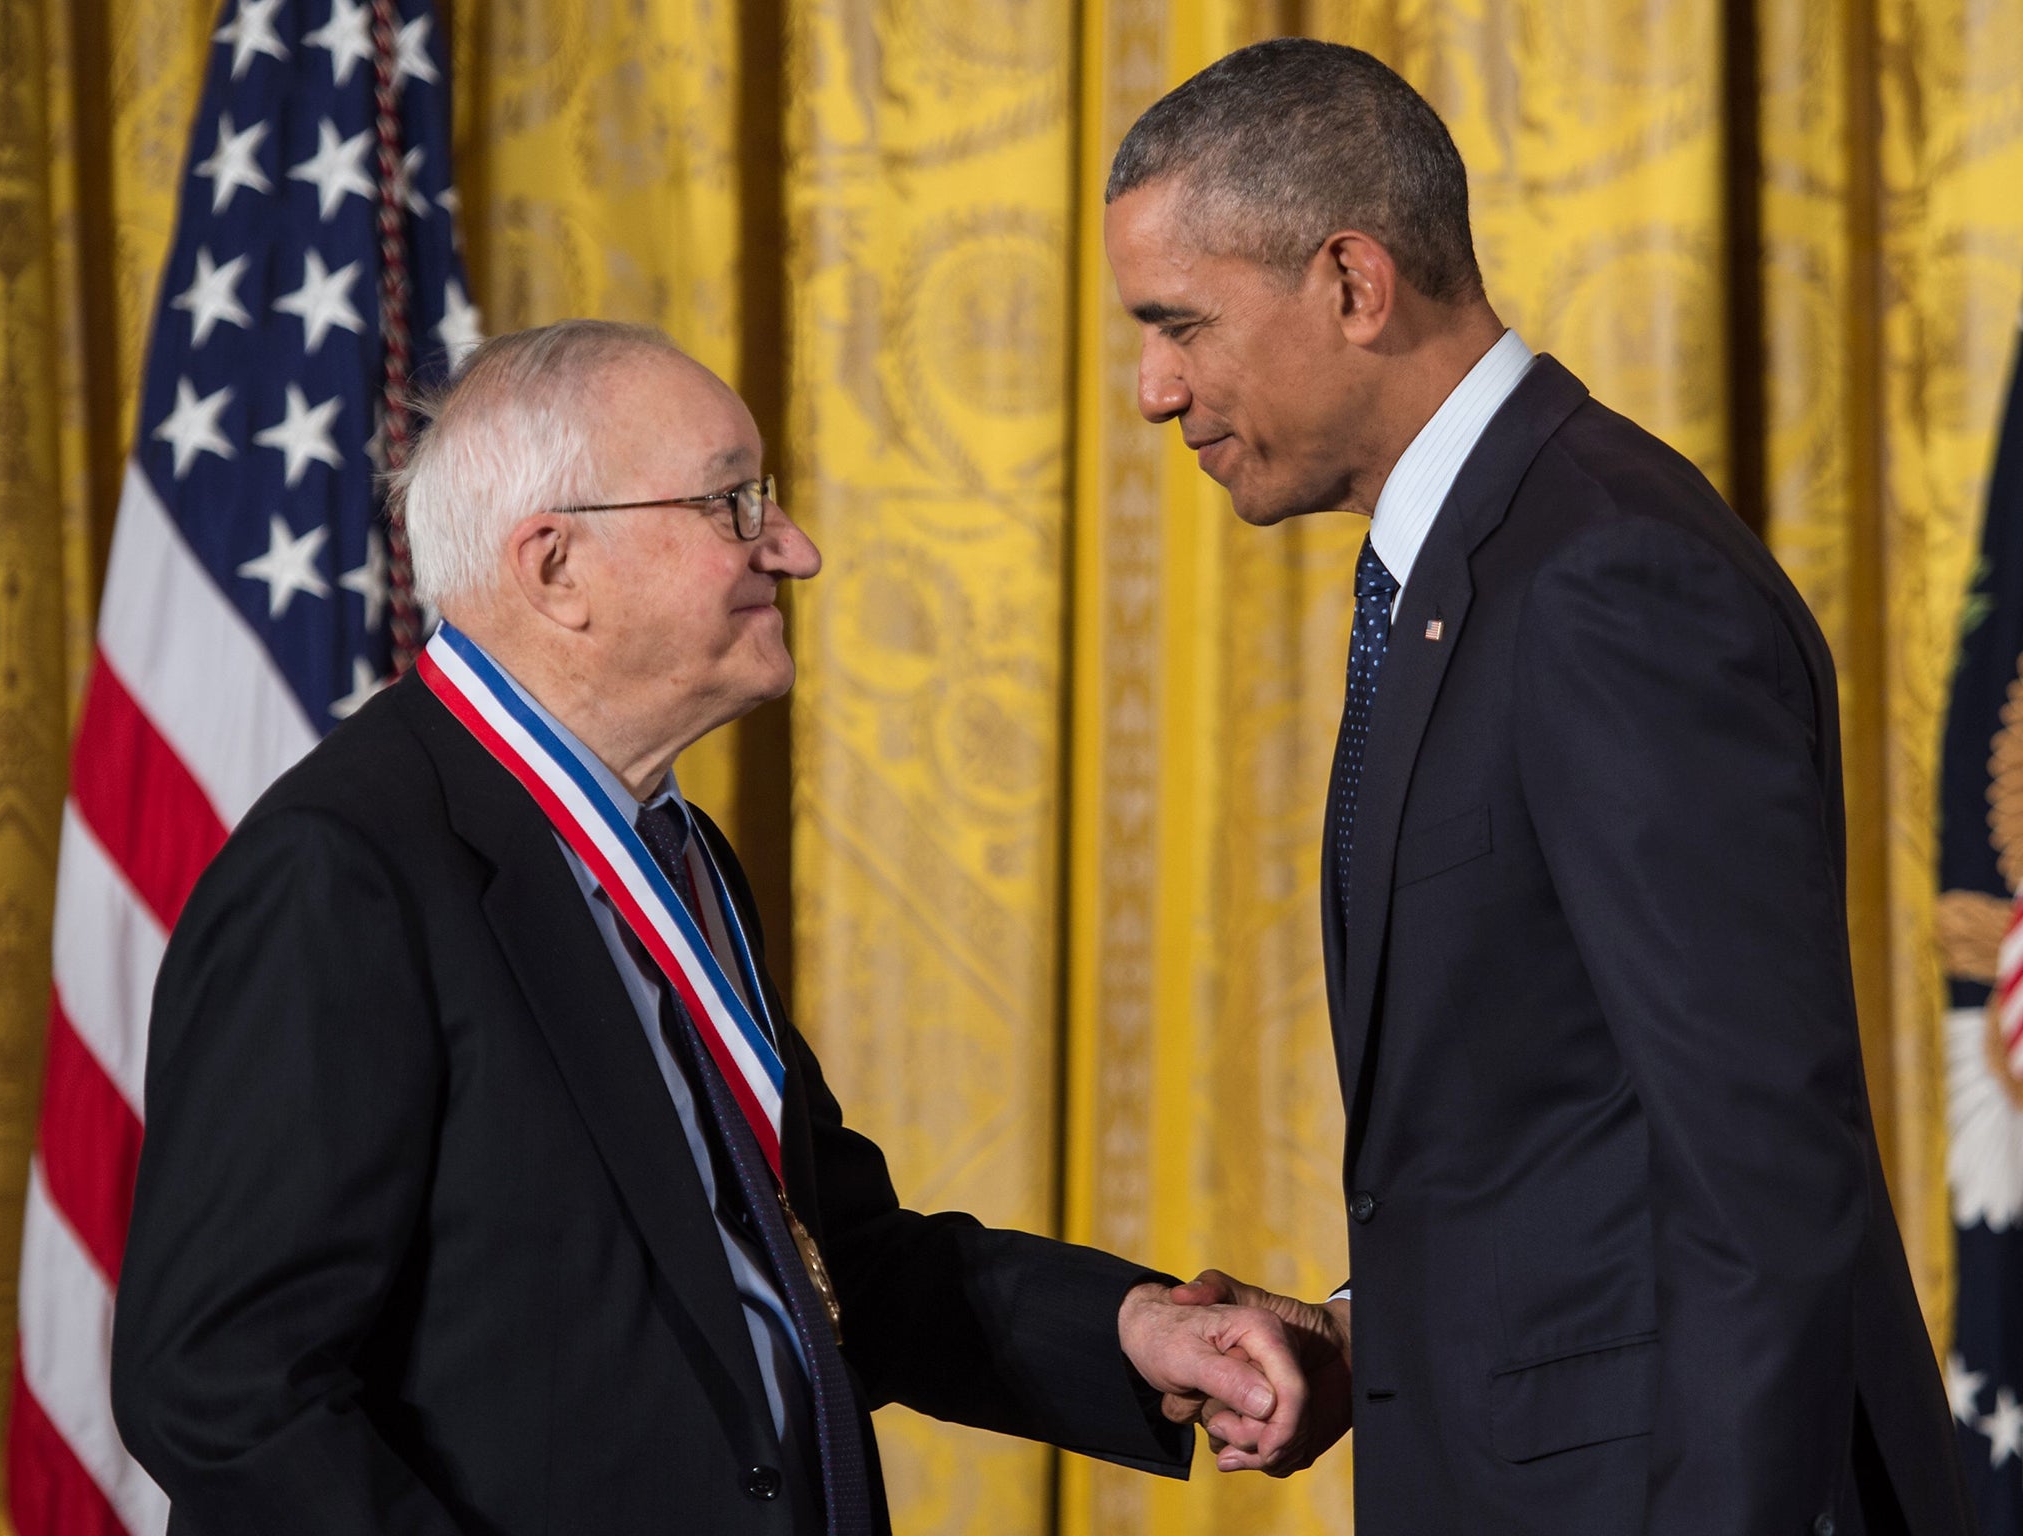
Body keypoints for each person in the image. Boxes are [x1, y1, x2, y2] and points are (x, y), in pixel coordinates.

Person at [110, 320, 1308, 1535]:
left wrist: (1130, 1330)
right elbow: (221, 1388)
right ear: (554, 568)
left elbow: (827, 1257)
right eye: (731, 502)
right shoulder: (341, 872)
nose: (794, 548)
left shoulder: (671, 850)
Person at [1100, 36, 1974, 1536]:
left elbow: (1760, 1175)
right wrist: (1380, 1335)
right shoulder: (1482, 563)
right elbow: (1568, 1114)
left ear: (1354, 284)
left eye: (1179, 323)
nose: (1152, 390)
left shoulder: (1604, 576)